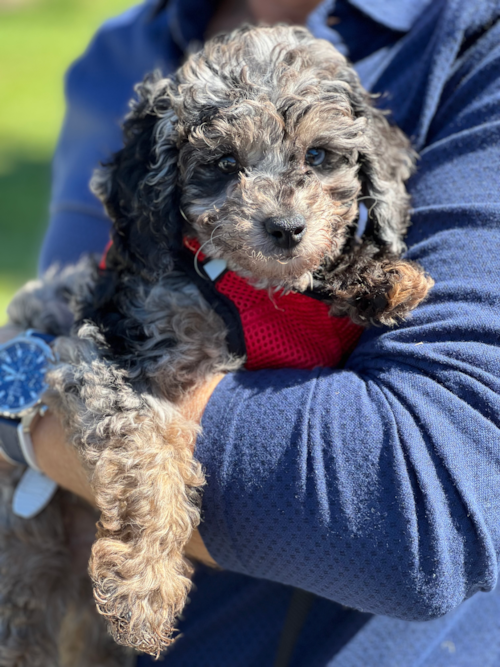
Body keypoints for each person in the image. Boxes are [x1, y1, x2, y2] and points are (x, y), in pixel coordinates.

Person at [2, 0, 500, 664]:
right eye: (227, 167)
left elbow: (419, 517)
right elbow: (81, 321)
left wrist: (27, 410)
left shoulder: (475, 40)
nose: (285, 210)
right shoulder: (118, 53)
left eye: (318, 156)